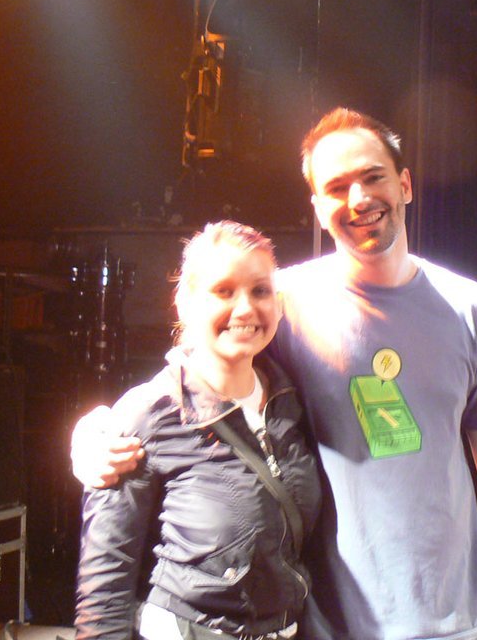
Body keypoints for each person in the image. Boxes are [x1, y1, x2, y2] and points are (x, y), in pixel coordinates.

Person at [73, 108, 477, 640]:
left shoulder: (467, 307)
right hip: (332, 627)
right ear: (318, 208)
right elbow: (193, 379)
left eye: (373, 177)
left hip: (459, 623)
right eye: (336, 187)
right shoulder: (280, 302)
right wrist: (94, 431)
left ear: (404, 184)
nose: (358, 199)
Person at [74, 222, 322, 640]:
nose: (245, 309)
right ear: (185, 304)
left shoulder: (291, 400)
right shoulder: (149, 417)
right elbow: (104, 591)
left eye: (260, 291)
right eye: (223, 291)